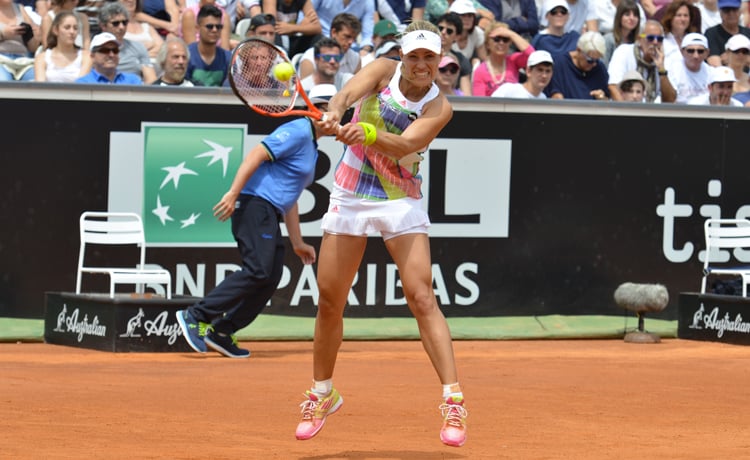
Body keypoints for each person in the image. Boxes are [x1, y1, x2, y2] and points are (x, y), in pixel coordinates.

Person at [295, 20, 468, 448]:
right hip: (351, 193)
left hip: (399, 199)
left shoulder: (439, 107)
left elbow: (407, 144)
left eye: (430, 57)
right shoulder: (382, 70)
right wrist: (336, 111)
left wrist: (367, 132)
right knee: (331, 300)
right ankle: (322, 394)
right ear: (403, 56)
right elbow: (347, 92)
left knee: (421, 296)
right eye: (414, 56)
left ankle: (453, 401)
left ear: (440, 59)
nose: (422, 65)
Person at [175, 85, 332, 359]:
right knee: (259, 270)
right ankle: (195, 315)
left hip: (270, 211)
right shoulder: (298, 129)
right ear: (320, 110)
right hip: (255, 205)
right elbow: (256, 154)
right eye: (340, 112)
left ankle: (222, 331)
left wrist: (297, 242)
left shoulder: (312, 147)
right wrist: (233, 193)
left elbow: (291, 197)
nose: (343, 120)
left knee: (270, 277)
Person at [607, 20, 676, 102]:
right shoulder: (624, 51)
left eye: (659, 39)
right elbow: (613, 87)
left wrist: (661, 69)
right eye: (650, 38)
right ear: (639, 39)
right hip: (626, 109)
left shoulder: (665, 60)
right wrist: (627, 112)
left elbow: (670, 100)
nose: (655, 42)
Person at [99, 2, 157, 83]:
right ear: (103, 26)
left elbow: (151, 79)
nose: (121, 27)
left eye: (124, 22)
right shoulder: (96, 49)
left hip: (135, 91)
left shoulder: (138, 47)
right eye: (115, 23)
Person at [471, 20, 533, 96]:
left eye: (505, 39)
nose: (501, 43)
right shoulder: (480, 72)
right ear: (487, 44)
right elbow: (479, 103)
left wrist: (511, 34)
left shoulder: (513, 61)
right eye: (497, 39)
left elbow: (532, 56)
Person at [545, 30, 610, 99]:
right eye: (590, 60)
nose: (594, 64)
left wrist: (602, 98)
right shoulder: (559, 64)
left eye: (597, 60)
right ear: (578, 50)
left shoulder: (599, 68)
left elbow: (607, 99)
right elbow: (554, 95)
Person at [299, 13, 361, 78]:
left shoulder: (355, 58)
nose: (351, 42)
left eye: (354, 38)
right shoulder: (310, 59)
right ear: (333, 32)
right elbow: (305, 87)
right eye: (347, 36)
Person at [34, 11, 91, 82]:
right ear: (56, 30)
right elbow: (40, 86)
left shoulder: (86, 57)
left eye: (75, 28)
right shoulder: (42, 58)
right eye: (67, 28)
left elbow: (81, 85)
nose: (72, 32)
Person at [185, 4, 231, 86]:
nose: (214, 30)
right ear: (197, 28)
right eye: (210, 26)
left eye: (218, 26)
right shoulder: (187, 55)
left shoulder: (227, 58)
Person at [76, 31, 143, 83]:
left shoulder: (133, 81)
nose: (111, 55)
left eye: (115, 50)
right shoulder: (83, 84)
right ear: (92, 56)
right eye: (105, 50)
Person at [310, 0, 374, 53]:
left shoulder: (367, 2)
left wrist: (365, 50)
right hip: (319, 39)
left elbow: (368, 35)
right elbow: (304, 18)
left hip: (351, 48)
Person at [0, 0, 41, 81]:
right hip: (1, 59)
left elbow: (33, 47)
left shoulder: (20, 8)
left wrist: (31, 34)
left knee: (37, 80)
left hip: (23, 61)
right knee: (3, 80)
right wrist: (3, 33)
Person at [666, 32, 711, 104]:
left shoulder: (712, 73)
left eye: (700, 51)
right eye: (690, 51)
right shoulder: (672, 70)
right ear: (682, 51)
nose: (696, 56)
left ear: (707, 53)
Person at [704, 0, 750, 66]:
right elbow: (714, 63)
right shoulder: (711, 33)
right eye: (726, 10)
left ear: (740, 11)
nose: (731, 13)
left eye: (734, 10)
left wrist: (730, 58)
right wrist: (745, 58)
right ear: (720, 12)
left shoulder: (748, 33)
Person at [437, 12, 472, 95]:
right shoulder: (425, 54)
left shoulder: (462, 60)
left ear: (457, 37)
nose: (443, 32)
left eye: (449, 31)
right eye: (440, 28)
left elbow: (467, 95)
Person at [660, 0, 700, 71]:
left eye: (686, 15)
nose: (683, 19)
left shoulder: (694, 40)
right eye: (679, 15)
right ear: (670, 17)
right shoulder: (662, 40)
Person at [449, 0, 486, 66]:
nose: (467, 19)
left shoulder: (477, 32)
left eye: (470, 15)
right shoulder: (444, 33)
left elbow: (484, 59)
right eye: (463, 15)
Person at [602, 0, 639, 65]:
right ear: (619, 17)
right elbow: (603, 66)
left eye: (635, 15)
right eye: (627, 14)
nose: (632, 18)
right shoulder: (608, 39)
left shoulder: (636, 43)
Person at [724, 33, 750, 102]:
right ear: (727, 52)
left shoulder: (749, 78)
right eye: (736, 51)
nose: (741, 55)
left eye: (745, 51)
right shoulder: (718, 76)